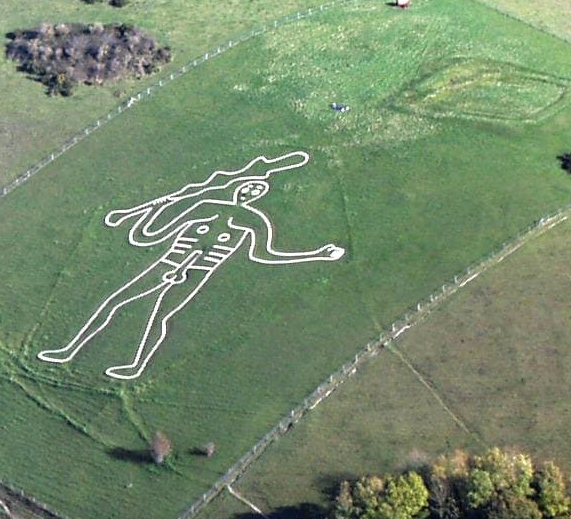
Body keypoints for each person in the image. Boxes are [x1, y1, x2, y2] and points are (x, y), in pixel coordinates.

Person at [37, 151, 344, 380]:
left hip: (195, 274)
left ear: (259, 197)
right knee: (115, 302)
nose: (250, 192)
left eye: (257, 191)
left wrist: (316, 254)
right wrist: (151, 211)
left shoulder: (253, 220)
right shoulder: (206, 206)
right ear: (238, 188)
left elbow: (263, 255)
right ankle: (68, 351)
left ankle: (134, 365)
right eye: (248, 187)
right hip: (166, 264)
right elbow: (149, 237)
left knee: (160, 317)